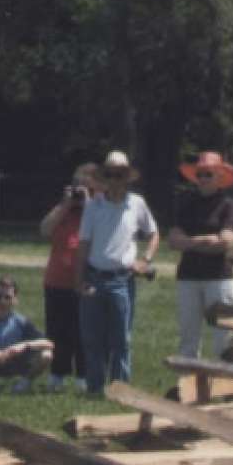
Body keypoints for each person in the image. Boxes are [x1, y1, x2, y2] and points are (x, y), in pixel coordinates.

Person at [75, 150, 158, 395]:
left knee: (121, 340)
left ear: (127, 177)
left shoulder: (137, 203)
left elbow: (153, 234)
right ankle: (95, 390)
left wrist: (145, 260)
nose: (115, 179)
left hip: (122, 280)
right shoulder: (93, 207)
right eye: (110, 175)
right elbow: (83, 246)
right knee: (92, 339)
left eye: (120, 174)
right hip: (93, 277)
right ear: (105, 177)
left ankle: (120, 391)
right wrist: (78, 281)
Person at [168, 151, 233, 359]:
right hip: (188, 278)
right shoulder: (185, 202)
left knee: (224, 338)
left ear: (219, 176)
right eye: (199, 174)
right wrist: (206, 240)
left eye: (208, 174)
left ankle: (226, 386)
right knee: (188, 338)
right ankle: (187, 387)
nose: (203, 179)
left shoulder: (229, 205)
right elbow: (173, 240)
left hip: (219, 278)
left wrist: (188, 243)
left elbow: (226, 242)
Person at [38, 162, 98, 391]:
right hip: (56, 281)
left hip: (84, 281)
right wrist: (66, 204)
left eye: (87, 188)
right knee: (58, 330)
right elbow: (44, 230)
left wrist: (89, 204)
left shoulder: (97, 211)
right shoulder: (63, 210)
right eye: (78, 187)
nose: (81, 192)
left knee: (83, 331)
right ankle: (57, 373)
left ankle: (83, 375)